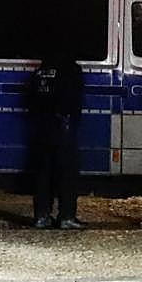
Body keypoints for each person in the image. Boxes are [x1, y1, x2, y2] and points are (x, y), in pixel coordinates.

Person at [28, 49, 85, 229]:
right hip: (62, 129)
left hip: (41, 130)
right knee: (67, 174)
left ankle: (41, 216)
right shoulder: (71, 70)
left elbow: (31, 101)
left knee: (43, 174)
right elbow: (73, 99)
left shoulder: (41, 70)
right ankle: (66, 217)